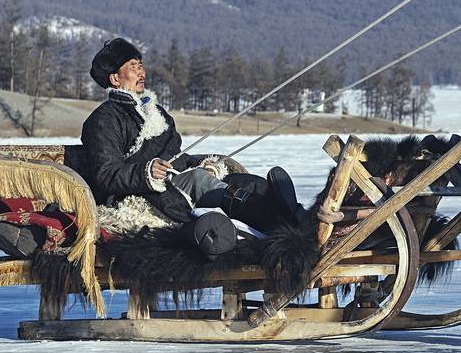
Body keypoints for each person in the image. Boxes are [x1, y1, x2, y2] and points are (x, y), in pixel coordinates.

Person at [71, 37, 310, 260]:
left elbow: (173, 159)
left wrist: (202, 165)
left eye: (141, 65)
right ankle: (281, 220)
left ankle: (290, 212)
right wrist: (146, 172)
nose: (142, 72)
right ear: (114, 78)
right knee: (199, 180)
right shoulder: (103, 120)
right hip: (139, 196)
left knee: (239, 180)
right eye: (133, 66)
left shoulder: (157, 114)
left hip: (168, 184)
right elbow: (106, 173)